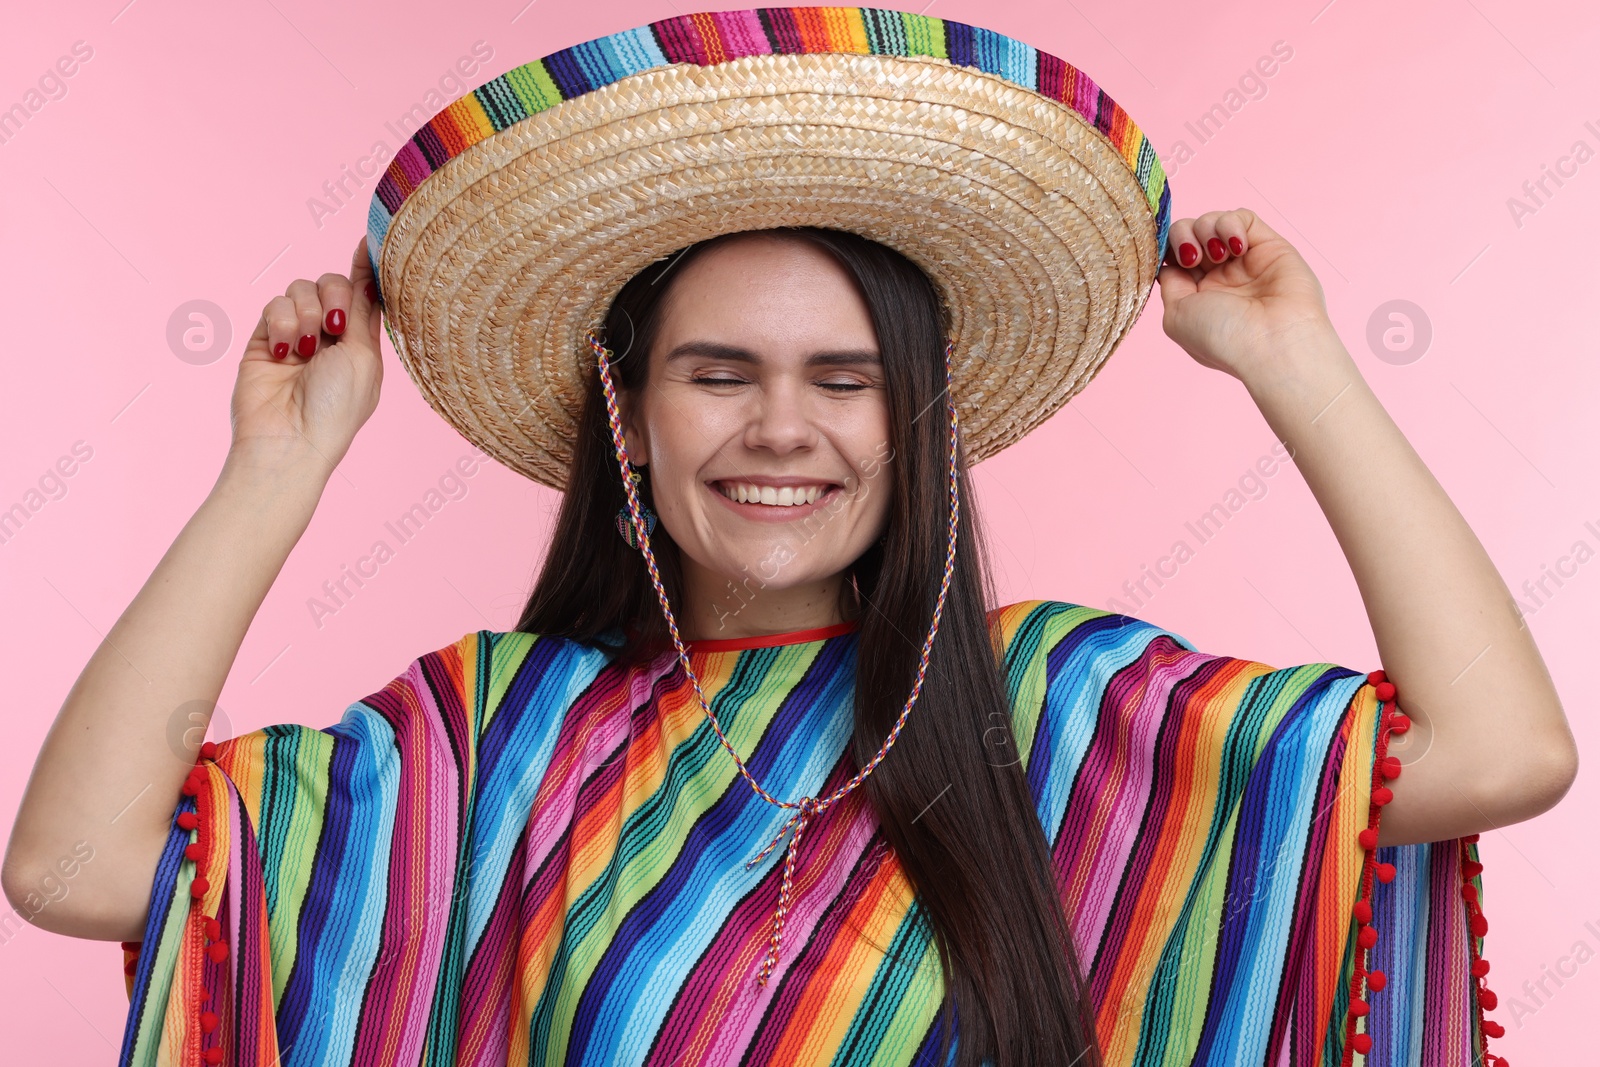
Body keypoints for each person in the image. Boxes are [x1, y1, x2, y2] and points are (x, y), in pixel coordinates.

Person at [4, 8, 1575, 1067]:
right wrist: (276, 473)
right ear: (628, 417)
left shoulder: (1063, 710)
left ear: (918, 424)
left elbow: (1499, 752)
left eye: (847, 379)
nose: (781, 430)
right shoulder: (497, 735)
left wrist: (1297, 366)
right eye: (717, 373)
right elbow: (74, 866)